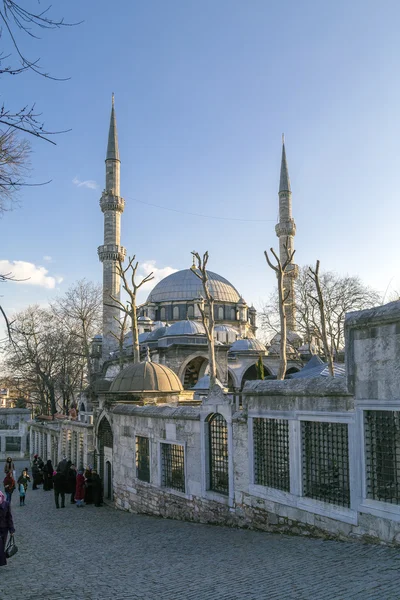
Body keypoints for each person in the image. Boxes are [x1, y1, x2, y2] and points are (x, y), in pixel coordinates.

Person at [0, 490, 15, 567]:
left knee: (2, 546)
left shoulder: (6, 504)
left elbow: (9, 518)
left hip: (4, 528)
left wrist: (11, 530)